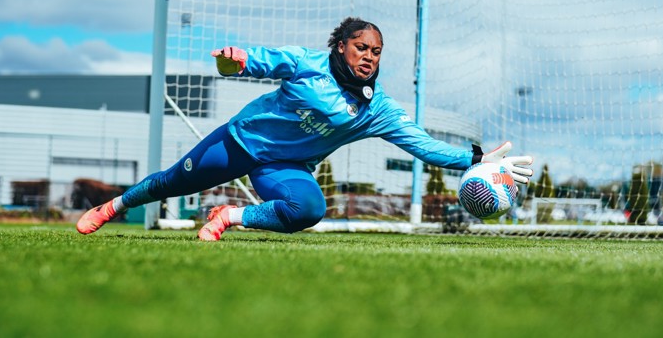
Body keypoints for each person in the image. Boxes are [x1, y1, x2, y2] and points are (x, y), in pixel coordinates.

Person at [77, 17, 533, 239]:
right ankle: (112, 206)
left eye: (376, 51)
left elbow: (425, 146)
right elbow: (253, 61)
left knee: (309, 209)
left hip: (288, 166)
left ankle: (229, 218)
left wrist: (478, 159)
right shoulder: (306, 64)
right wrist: (230, 61)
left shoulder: (379, 111)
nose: (370, 56)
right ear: (340, 46)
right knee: (171, 183)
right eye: (361, 47)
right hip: (242, 141)